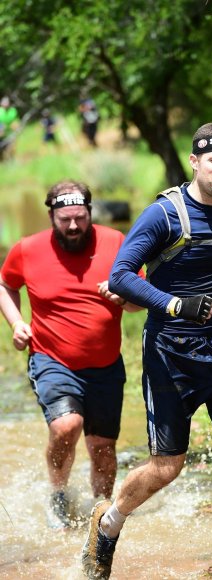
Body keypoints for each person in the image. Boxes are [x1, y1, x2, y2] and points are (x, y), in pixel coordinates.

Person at [81, 123, 212, 580]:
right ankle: (109, 521)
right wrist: (177, 304)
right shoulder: (165, 214)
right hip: (170, 351)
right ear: (195, 161)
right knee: (166, 467)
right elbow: (121, 276)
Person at [0, 180, 144, 530]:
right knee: (67, 425)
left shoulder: (115, 243)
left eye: (80, 217)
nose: (74, 226)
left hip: (106, 365)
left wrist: (123, 297)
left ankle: (101, 514)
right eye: (65, 219)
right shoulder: (28, 249)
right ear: (51, 215)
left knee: (103, 448)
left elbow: (141, 300)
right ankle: (59, 495)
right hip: (52, 359)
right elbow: (5, 284)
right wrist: (16, 323)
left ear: (90, 212)